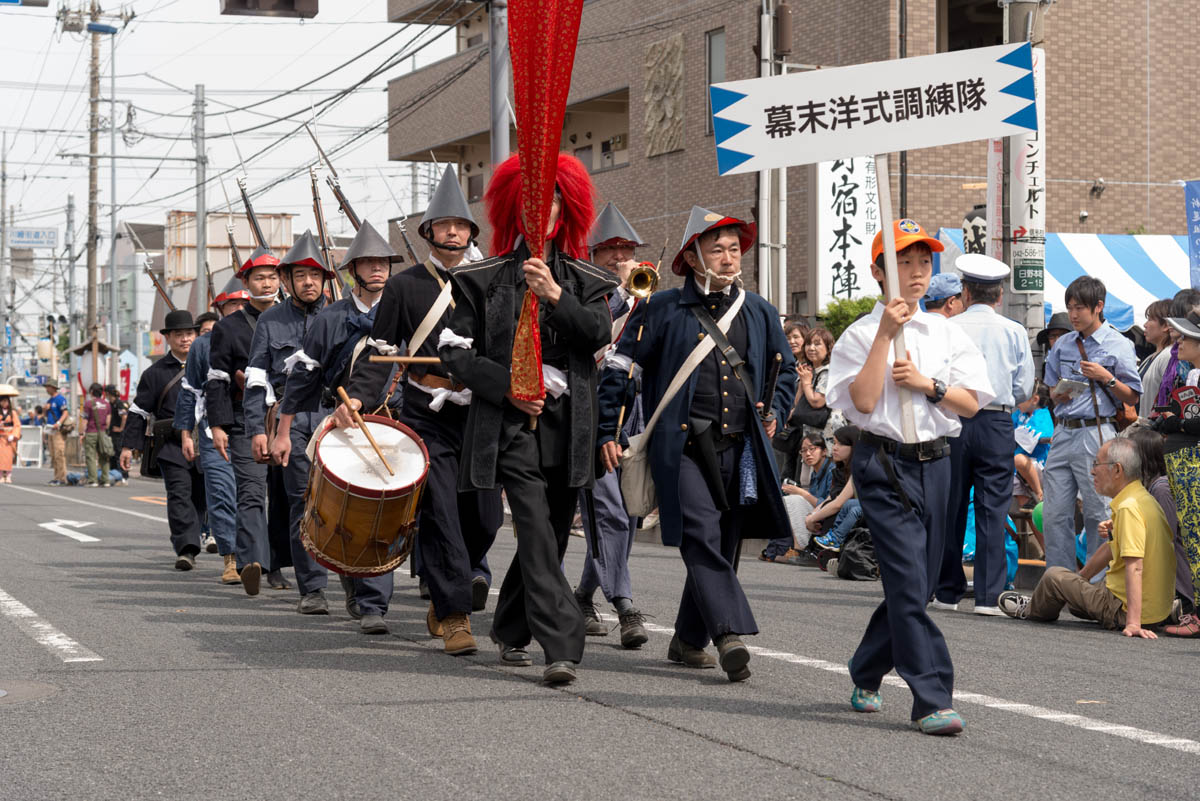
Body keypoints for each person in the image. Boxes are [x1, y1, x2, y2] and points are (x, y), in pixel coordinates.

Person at [598, 205, 797, 683]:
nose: (729, 258)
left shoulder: (759, 310)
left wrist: (773, 410)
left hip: (739, 446)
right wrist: (608, 430)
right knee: (701, 535)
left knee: (725, 543)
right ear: (692, 256)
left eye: (733, 249)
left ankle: (688, 640)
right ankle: (728, 633)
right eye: (717, 249)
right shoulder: (661, 307)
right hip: (679, 447)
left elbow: (783, 368)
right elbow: (620, 370)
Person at [440, 153, 618, 685]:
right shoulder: (479, 277)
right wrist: (511, 389)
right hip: (510, 423)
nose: (542, 213)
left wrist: (555, 296)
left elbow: (598, 333)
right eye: (532, 204)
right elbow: (454, 352)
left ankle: (510, 628)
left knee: (556, 532)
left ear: (566, 209)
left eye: (553, 202)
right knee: (536, 530)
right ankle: (562, 645)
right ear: (515, 208)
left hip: (570, 426)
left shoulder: (589, 279)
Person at [825, 218, 994, 735]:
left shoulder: (947, 331)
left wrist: (927, 383)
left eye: (924, 261)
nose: (917, 272)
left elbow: (970, 404)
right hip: (882, 464)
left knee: (915, 587)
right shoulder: (858, 334)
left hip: (939, 462)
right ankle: (931, 696)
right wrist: (884, 335)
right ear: (879, 271)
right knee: (905, 580)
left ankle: (867, 668)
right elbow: (864, 400)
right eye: (904, 262)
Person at [277, 221, 401, 635]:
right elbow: (303, 380)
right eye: (367, 262)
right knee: (335, 511)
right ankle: (340, 592)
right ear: (353, 271)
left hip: (397, 423)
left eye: (383, 261)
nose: (377, 269)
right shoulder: (331, 319)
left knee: (384, 514)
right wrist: (283, 428)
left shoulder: (404, 309)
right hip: (343, 422)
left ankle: (372, 601)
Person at [933, 255, 1034, 615]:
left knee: (951, 504)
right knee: (993, 507)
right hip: (996, 422)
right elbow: (1023, 389)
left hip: (955, 418)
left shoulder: (948, 327)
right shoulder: (1014, 330)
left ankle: (946, 591)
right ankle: (990, 597)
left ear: (965, 291)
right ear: (999, 294)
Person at [244, 232, 336, 615]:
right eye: (301, 276)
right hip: (290, 420)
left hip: (336, 418)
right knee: (303, 502)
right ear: (287, 280)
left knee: (338, 504)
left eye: (315, 275)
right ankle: (312, 588)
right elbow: (256, 377)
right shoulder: (269, 320)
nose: (309, 282)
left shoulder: (341, 313)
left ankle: (353, 584)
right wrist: (257, 430)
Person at [999, 438, 1175, 637]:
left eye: (1096, 464)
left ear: (1117, 470)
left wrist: (1133, 623)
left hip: (1123, 609)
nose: (1092, 472)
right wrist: (1079, 580)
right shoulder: (1143, 499)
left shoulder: (1128, 508)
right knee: (1073, 600)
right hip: (1156, 610)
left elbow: (1135, 566)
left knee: (1054, 577)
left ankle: (1031, 609)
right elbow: (1111, 548)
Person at [573, 201, 650, 647]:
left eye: (626, 250)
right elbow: (595, 332)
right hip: (590, 414)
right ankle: (624, 604)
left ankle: (584, 593)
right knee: (609, 512)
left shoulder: (645, 296)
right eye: (610, 251)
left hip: (632, 415)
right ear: (593, 255)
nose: (621, 258)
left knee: (627, 515)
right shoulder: (587, 292)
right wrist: (625, 295)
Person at [1042, 276, 1142, 571]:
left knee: (1098, 511)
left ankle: (1098, 586)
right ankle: (1059, 583)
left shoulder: (1118, 343)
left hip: (1097, 432)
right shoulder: (1062, 344)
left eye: (1079, 308)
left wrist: (1105, 376)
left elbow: (1133, 396)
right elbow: (1049, 388)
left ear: (1098, 307)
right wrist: (1056, 394)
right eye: (1070, 308)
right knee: (1054, 512)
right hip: (1063, 429)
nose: (1073, 315)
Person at [205, 248, 286, 596]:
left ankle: (279, 565)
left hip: (288, 418)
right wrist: (218, 425)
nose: (266, 283)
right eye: (259, 277)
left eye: (272, 276)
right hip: (242, 419)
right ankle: (254, 561)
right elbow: (217, 380)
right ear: (246, 282)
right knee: (252, 492)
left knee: (284, 494)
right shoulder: (228, 328)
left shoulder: (295, 318)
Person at [121, 310, 206, 570]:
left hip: (206, 442)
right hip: (171, 445)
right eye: (178, 334)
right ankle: (186, 548)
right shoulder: (155, 373)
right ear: (168, 338)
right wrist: (127, 446)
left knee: (202, 498)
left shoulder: (210, 365)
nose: (185, 339)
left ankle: (200, 534)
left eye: (189, 333)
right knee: (179, 495)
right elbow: (138, 411)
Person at [177, 285, 248, 586]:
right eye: (232, 305)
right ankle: (230, 558)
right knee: (221, 493)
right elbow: (189, 391)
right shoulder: (202, 345)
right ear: (221, 309)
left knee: (251, 496)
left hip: (257, 426)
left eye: (244, 305)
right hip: (212, 428)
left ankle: (260, 559)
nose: (239, 310)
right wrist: (185, 434)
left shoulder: (267, 333)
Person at [1151, 310, 1200, 635]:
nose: (1178, 342)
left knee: (1194, 536)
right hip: (1184, 461)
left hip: (1192, 462)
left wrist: (1178, 423)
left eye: (1185, 337)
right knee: (1189, 536)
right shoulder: (1194, 375)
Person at [762, 432, 831, 563]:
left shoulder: (831, 470)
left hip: (828, 517)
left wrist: (801, 492)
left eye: (812, 449)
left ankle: (799, 549)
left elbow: (827, 504)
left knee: (794, 500)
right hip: (817, 516)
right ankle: (781, 548)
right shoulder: (815, 473)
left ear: (824, 451)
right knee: (783, 500)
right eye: (804, 451)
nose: (808, 454)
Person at [1141, 289, 1200, 419]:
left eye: (1179, 317)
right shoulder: (1175, 357)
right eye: (1171, 316)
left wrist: (1178, 424)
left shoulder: (1174, 356)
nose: (1172, 323)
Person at [806, 424, 863, 552]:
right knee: (827, 507)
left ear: (853, 446)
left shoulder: (859, 468)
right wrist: (811, 515)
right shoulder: (839, 470)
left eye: (840, 444)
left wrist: (813, 518)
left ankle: (830, 544)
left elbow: (838, 503)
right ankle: (817, 548)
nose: (835, 448)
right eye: (834, 443)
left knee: (836, 508)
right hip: (849, 507)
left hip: (862, 508)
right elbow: (831, 496)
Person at [1012, 383, 1054, 509]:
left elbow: (1044, 434)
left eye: (1021, 396)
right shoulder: (1019, 414)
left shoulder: (1043, 415)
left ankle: (1039, 493)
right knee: (1026, 507)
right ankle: (1030, 505)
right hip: (1018, 471)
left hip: (1039, 466)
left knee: (1018, 459)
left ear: (1035, 399)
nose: (1016, 400)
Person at [81, 383, 113, 488]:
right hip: (103, 432)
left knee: (90, 456)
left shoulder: (88, 404)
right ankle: (106, 480)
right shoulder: (107, 404)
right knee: (104, 456)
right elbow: (108, 421)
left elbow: (84, 420)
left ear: (91, 392)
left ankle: (93, 480)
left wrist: (82, 433)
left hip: (91, 432)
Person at [43, 378, 69, 485]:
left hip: (58, 430)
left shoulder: (60, 399)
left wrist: (58, 423)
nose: (46, 389)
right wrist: (45, 409)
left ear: (53, 387)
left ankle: (62, 478)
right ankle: (56, 476)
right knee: (53, 455)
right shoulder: (49, 401)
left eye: (48, 387)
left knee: (59, 453)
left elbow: (65, 412)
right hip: (50, 429)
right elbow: (45, 415)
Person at [105, 385, 128, 486]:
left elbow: (124, 417)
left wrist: (121, 428)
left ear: (108, 393)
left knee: (119, 455)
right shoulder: (111, 404)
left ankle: (124, 477)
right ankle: (115, 475)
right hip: (112, 434)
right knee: (112, 455)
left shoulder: (119, 403)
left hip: (119, 434)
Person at [0, 385, 20, 483]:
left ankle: (8, 475)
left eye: (6, 401)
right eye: (3, 401)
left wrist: (14, 435)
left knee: (8, 457)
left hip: (9, 437)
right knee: (0, 457)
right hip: (1, 437)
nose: (5, 403)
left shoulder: (13, 413)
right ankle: (0, 476)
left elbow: (17, 425)